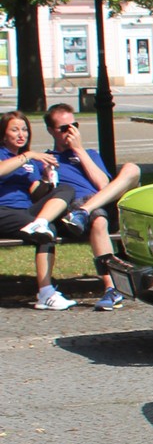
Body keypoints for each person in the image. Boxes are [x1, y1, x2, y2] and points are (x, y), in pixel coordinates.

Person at [40, 106, 140, 310]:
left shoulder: (90, 154)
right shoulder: (47, 159)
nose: (70, 132)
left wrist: (79, 150)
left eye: (74, 126)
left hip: (101, 202)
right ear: (50, 130)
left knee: (132, 169)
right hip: (73, 208)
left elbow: (103, 184)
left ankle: (84, 211)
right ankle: (111, 288)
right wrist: (45, 178)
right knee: (98, 220)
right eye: (64, 128)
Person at [0, 111, 74, 309]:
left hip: (25, 212)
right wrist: (29, 155)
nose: (21, 134)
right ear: (3, 134)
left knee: (66, 190)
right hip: (3, 211)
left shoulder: (31, 164)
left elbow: (36, 192)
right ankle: (46, 293)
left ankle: (45, 293)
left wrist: (47, 180)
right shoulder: (7, 155)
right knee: (46, 229)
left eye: (24, 130)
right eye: (14, 130)